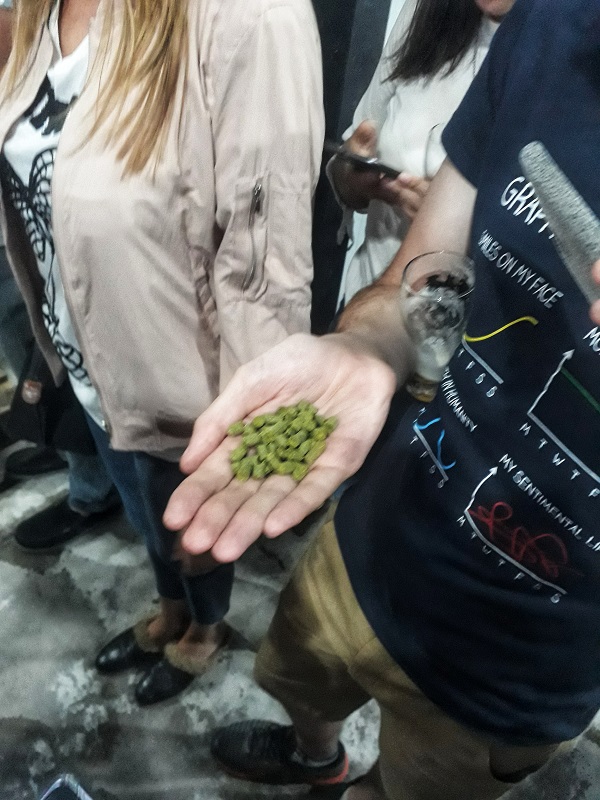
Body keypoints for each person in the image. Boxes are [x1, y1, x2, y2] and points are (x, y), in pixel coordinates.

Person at [164, 0, 600, 797]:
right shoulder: (553, 25)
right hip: (380, 532)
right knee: (299, 678)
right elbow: (423, 278)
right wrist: (367, 347)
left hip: (517, 663)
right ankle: (316, 757)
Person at [0, 0, 323, 705]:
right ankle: (172, 609)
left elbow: (265, 267)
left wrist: (248, 451)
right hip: (91, 364)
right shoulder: (40, 13)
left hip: (188, 390)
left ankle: (205, 628)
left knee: (193, 533)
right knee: (144, 512)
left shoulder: (249, 17)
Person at [0, 0, 119, 544]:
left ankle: (90, 489)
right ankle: (64, 445)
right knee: (36, 352)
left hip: (53, 218)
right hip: (29, 212)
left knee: (55, 351)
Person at [332, 0, 509, 308]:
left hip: (451, 325)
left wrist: (449, 221)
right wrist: (355, 179)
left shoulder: (557, 54)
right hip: (365, 300)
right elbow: (348, 164)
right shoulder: (425, 10)